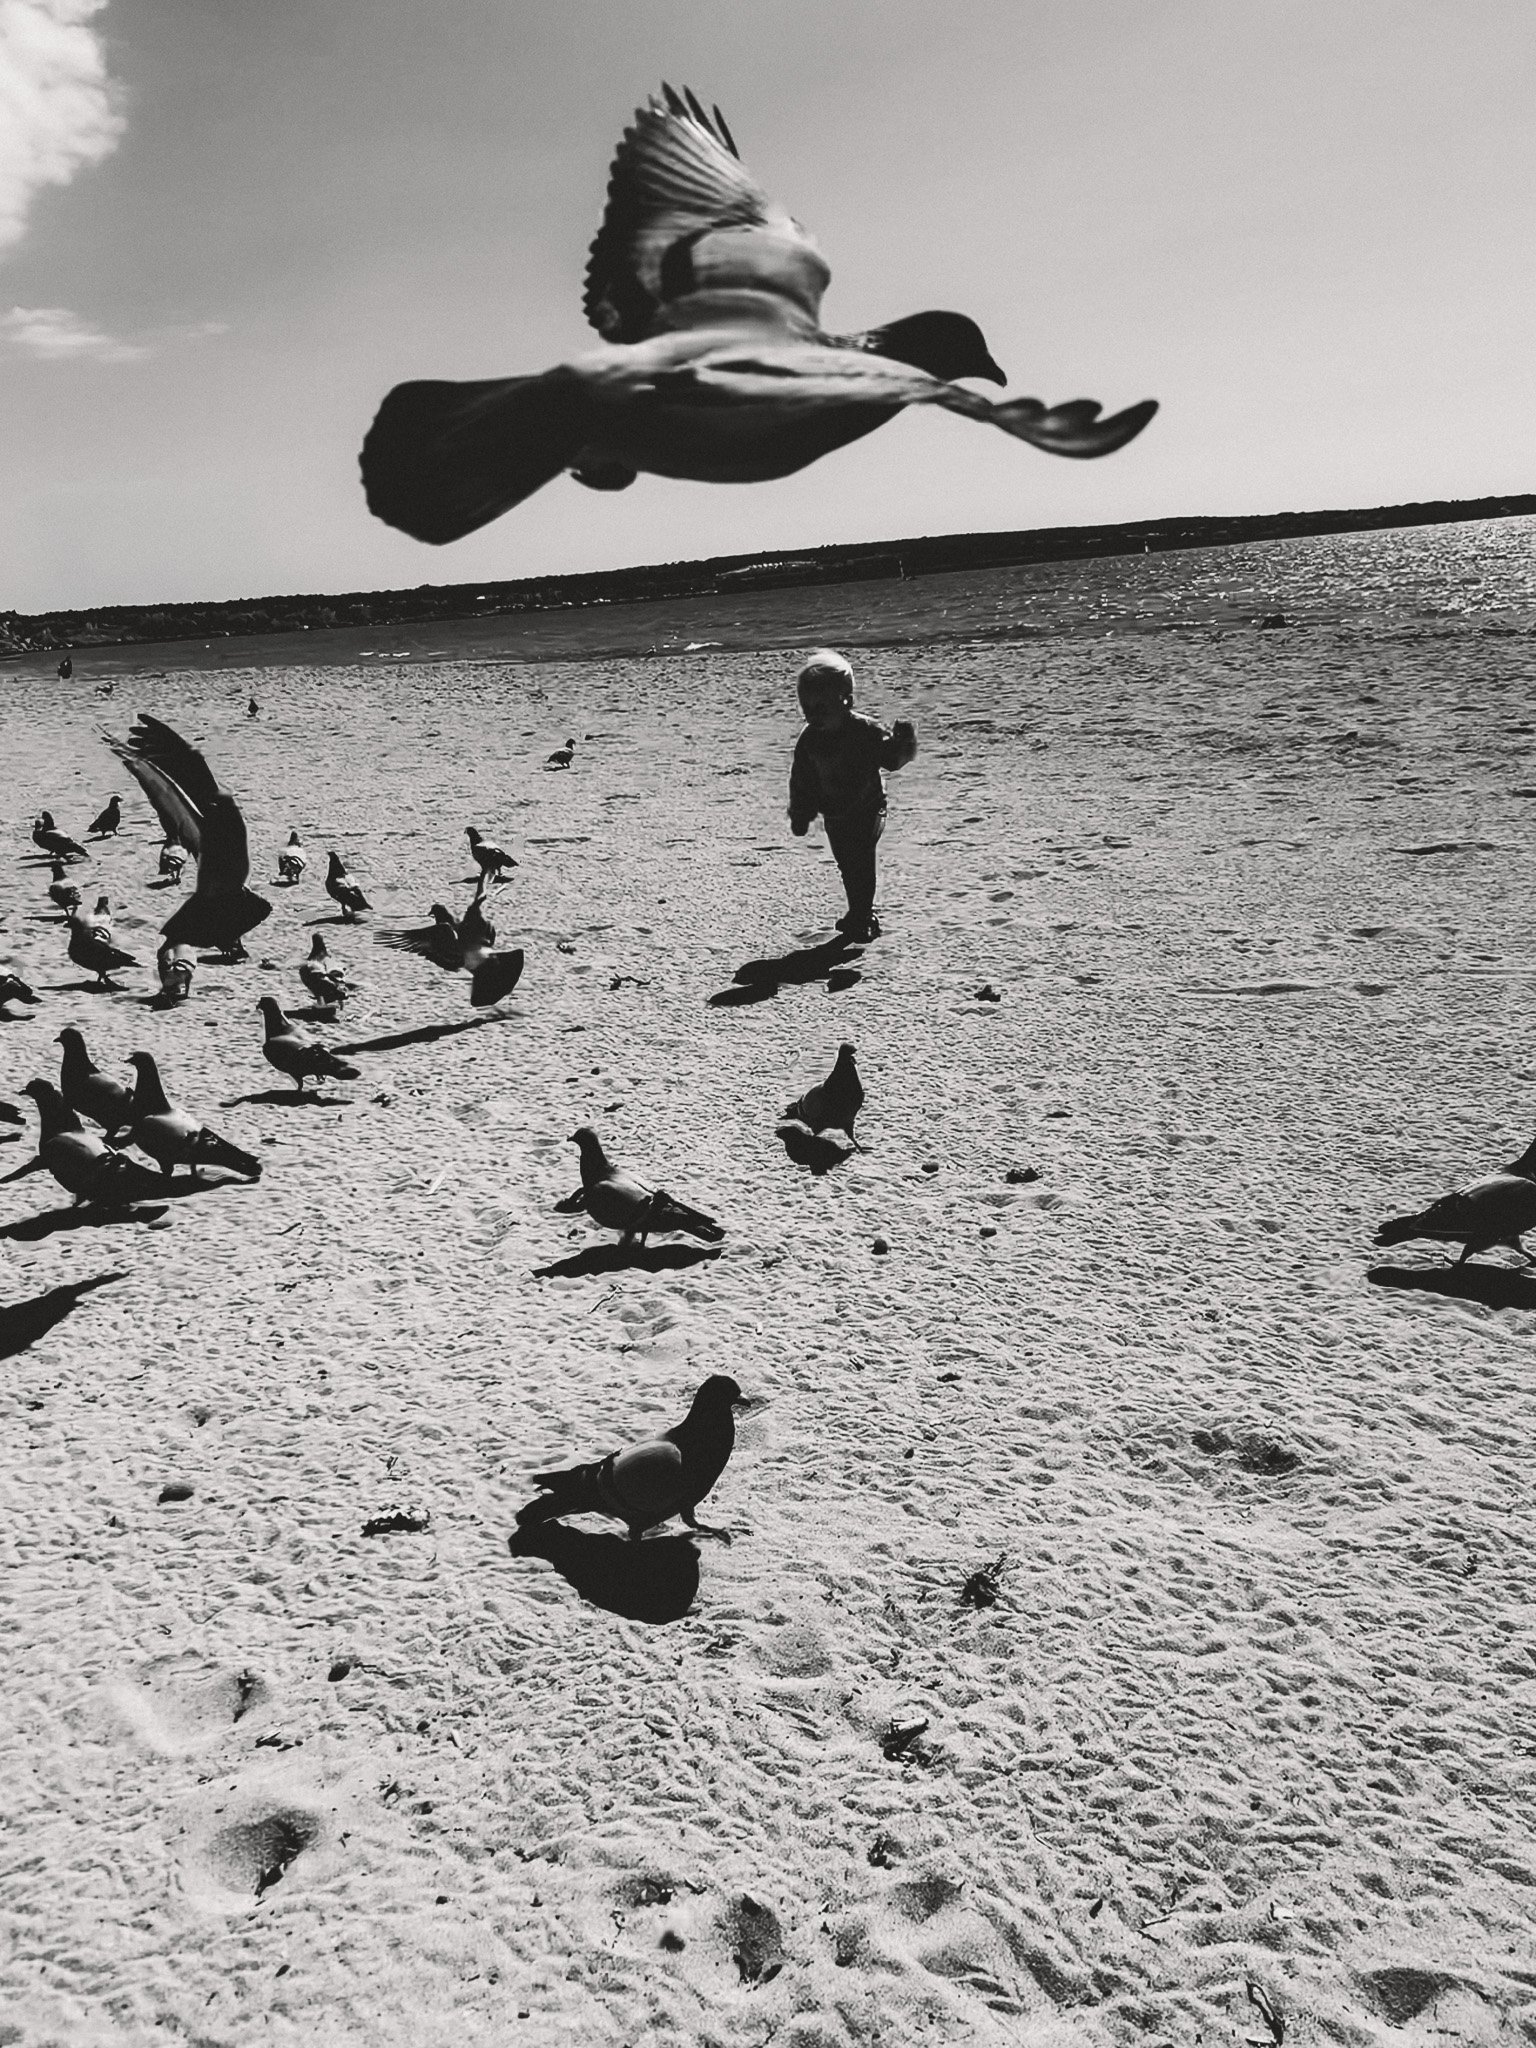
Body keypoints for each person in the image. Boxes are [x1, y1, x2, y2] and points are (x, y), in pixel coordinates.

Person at [787, 648, 916, 941]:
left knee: (861, 858)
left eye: (821, 708)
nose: (813, 716)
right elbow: (802, 780)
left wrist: (905, 742)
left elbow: (892, 759)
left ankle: (864, 914)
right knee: (847, 864)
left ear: (846, 700)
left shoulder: (865, 731)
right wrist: (800, 813)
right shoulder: (809, 741)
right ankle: (857, 910)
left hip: (869, 806)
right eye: (806, 709)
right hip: (835, 814)